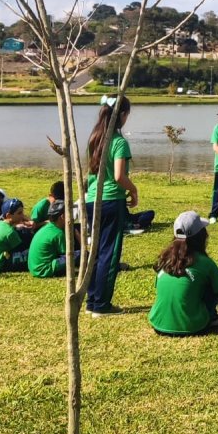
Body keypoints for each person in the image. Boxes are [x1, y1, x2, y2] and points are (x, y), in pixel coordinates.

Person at [85, 94, 138, 317]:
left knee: (95, 252)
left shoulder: (95, 137)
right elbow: (118, 176)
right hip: (110, 201)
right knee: (110, 252)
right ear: (122, 115)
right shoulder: (118, 142)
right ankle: (102, 304)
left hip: (92, 200)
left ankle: (91, 300)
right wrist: (133, 189)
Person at [147, 211, 218, 336]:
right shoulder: (205, 263)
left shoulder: (165, 260)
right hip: (193, 326)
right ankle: (210, 316)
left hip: (157, 323)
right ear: (201, 236)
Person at [28, 200, 80, 278]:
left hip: (35, 269)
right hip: (45, 270)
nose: (72, 216)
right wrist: (79, 238)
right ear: (62, 217)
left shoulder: (47, 227)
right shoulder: (58, 233)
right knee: (80, 254)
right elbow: (68, 254)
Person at [0, 198, 34, 273]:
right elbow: (23, 248)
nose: (22, 216)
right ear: (8, 215)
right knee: (33, 252)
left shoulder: (0, 224)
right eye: (19, 213)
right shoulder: (9, 232)